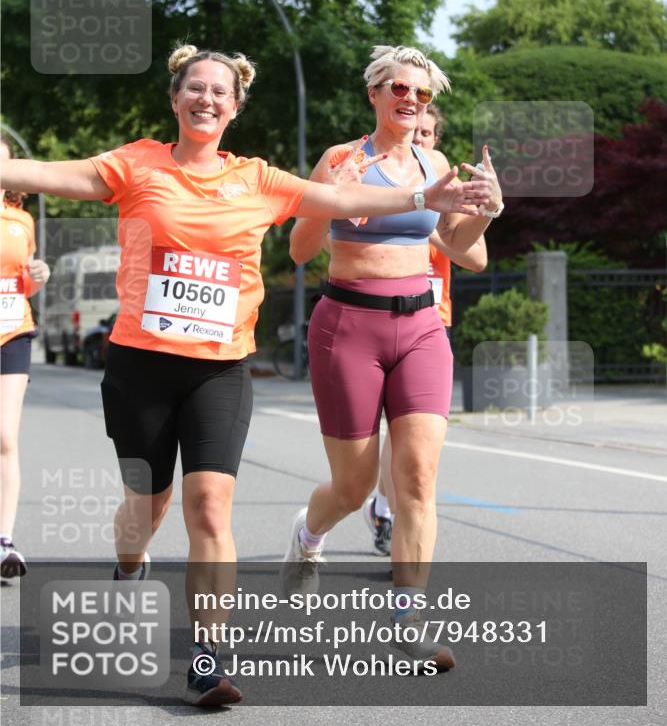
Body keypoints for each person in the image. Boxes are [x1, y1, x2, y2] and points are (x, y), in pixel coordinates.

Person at [0, 44, 492, 705]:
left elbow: (338, 196)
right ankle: (129, 567)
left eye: (219, 92)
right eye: (194, 89)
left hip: (220, 370)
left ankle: (207, 655)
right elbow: (49, 172)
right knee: (146, 508)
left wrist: (425, 195)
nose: (206, 99)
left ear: (235, 107)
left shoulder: (259, 179)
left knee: (209, 507)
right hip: (142, 363)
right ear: (175, 99)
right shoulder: (134, 164)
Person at [286, 45, 502, 671]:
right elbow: (300, 250)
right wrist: (330, 197)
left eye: (423, 94)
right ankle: (309, 533)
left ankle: (408, 618)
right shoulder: (338, 159)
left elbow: (461, 248)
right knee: (354, 487)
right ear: (376, 94)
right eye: (400, 89)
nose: (412, 100)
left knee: (417, 480)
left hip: (422, 329)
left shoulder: (432, 162)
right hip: (348, 325)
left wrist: (486, 209)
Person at [364, 103, 487, 556]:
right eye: (414, 132)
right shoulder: (374, 175)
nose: (419, 140)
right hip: (376, 321)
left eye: (428, 134)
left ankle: (392, 515)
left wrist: (431, 226)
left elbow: (477, 259)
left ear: (436, 140)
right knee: (389, 437)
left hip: (430, 323)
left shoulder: (448, 188)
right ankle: (381, 504)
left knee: (410, 442)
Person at [0, 132, 50, 579]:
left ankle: (4, 541)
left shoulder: (21, 220)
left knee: (5, 437)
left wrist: (39, 273)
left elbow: (25, 280)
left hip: (12, 330)